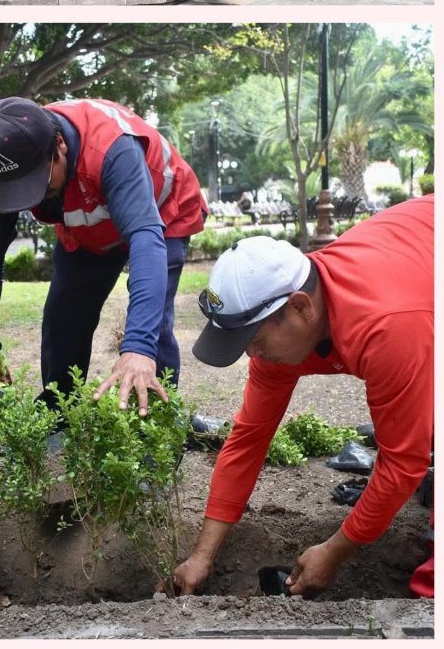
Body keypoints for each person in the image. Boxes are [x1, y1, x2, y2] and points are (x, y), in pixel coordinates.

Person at [173, 196, 433, 598]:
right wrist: (201, 557)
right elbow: (247, 441)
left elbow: (402, 462)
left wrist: (335, 550)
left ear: (299, 308)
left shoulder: (388, 328)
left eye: (254, 340)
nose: (251, 355)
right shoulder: (284, 332)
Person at [0, 96, 206, 415]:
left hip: (161, 214)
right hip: (87, 222)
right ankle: (59, 411)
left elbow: (145, 239)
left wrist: (137, 348)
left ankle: (154, 421)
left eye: (38, 181)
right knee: (64, 316)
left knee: (152, 323)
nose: (32, 197)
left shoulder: (109, 149)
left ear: (60, 145)